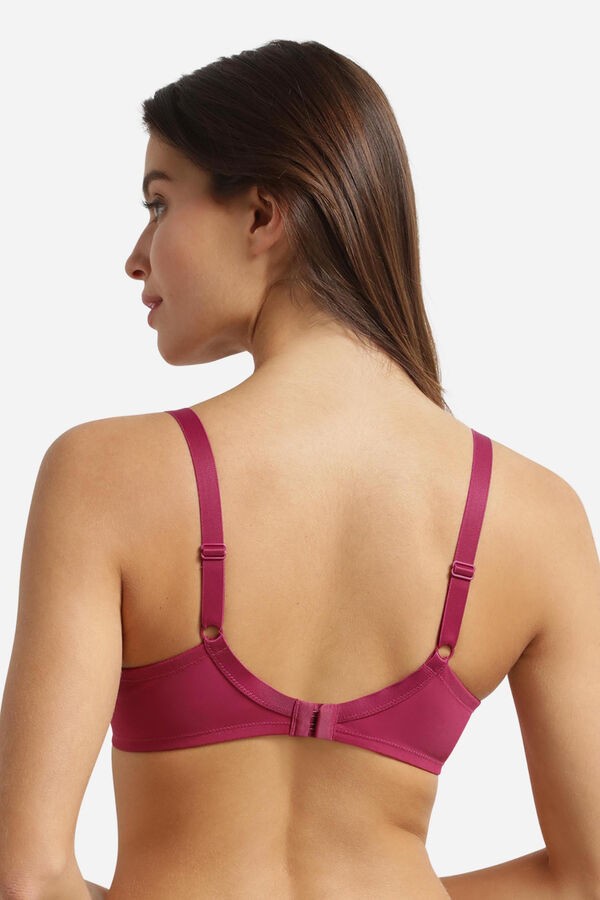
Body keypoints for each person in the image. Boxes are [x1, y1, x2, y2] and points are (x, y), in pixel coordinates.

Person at [1, 38, 599, 900]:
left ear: (261, 215)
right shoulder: (539, 518)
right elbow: (585, 878)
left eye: (159, 203)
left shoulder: (102, 477)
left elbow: (29, 877)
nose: (136, 253)